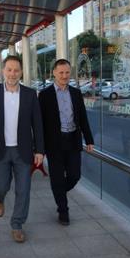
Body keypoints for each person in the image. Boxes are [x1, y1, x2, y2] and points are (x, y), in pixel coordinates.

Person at [0, 55, 44, 243]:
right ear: (3, 71)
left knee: (23, 190)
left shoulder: (30, 94)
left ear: (22, 72)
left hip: (23, 150)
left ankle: (17, 224)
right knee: (1, 186)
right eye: (9, 69)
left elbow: (38, 124)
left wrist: (39, 150)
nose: (12, 73)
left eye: (16, 70)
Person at [38, 59, 94, 226]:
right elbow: (40, 123)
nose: (64, 76)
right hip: (54, 143)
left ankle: (58, 190)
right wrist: (38, 147)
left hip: (73, 141)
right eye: (61, 72)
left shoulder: (76, 94)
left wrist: (89, 139)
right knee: (56, 177)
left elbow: (83, 118)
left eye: (67, 72)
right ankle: (63, 210)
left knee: (74, 175)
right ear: (54, 73)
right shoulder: (45, 95)